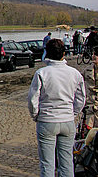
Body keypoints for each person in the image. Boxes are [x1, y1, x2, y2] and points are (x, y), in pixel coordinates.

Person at [28, 38, 86, 177]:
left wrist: (36, 115)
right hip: (66, 120)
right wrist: (72, 113)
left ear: (47, 53)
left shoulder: (42, 73)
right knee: (66, 161)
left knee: (47, 163)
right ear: (64, 54)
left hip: (47, 120)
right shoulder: (74, 73)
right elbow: (81, 98)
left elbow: (32, 98)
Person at [83, 47, 98, 130]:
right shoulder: (87, 70)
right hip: (91, 109)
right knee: (89, 136)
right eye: (93, 54)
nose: (93, 56)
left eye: (96, 54)